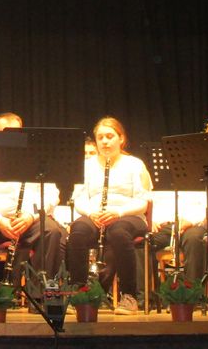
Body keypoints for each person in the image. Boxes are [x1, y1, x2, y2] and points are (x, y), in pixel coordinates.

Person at [0, 112, 64, 292]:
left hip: (28, 220)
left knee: (51, 231)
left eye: (14, 133)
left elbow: (52, 194)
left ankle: (38, 294)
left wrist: (30, 216)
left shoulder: (35, 157)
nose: (9, 139)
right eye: (4, 134)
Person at [66, 117, 152, 315]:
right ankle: (79, 293)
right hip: (96, 215)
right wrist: (91, 213)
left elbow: (143, 202)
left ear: (121, 139)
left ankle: (129, 296)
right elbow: (78, 199)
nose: (104, 141)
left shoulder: (135, 164)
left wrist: (118, 212)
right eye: (100, 137)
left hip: (129, 216)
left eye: (110, 136)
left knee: (118, 232)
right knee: (78, 230)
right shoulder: (86, 165)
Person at [144, 189, 208, 286]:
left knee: (194, 239)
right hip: (161, 225)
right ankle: (152, 292)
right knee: (145, 241)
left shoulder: (200, 182)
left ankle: (193, 291)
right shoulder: (157, 182)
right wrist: (149, 220)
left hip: (192, 225)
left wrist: (191, 221)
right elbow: (146, 201)